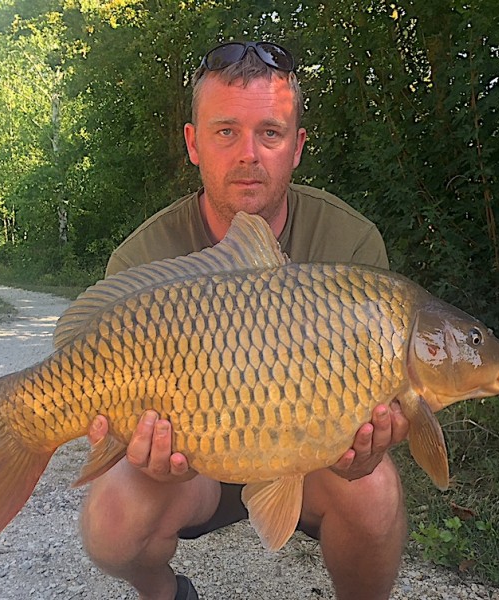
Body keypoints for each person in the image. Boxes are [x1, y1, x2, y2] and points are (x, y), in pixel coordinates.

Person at [80, 41, 410, 600]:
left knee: (376, 491)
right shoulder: (142, 260)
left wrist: (367, 449)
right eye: (226, 131)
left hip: (308, 459)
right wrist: (145, 454)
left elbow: (374, 415)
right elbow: (109, 430)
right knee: (111, 519)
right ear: (193, 142)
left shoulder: (349, 243)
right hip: (194, 462)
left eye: (271, 133)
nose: (249, 154)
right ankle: (166, 596)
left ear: (297, 146)